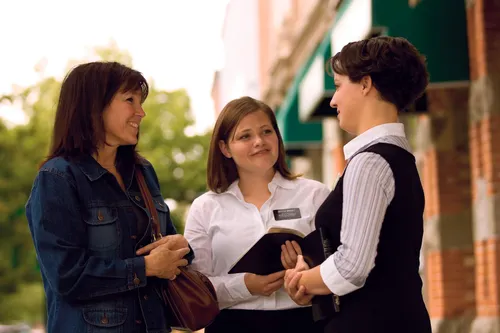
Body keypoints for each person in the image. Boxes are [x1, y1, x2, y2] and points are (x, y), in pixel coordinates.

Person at [26, 61, 193, 333]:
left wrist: (182, 247)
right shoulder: (57, 178)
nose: (141, 112)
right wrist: (145, 267)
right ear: (94, 105)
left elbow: (167, 255)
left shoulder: (143, 172)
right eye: (130, 100)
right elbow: (66, 277)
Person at [284, 36, 432, 333]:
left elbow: (352, 267)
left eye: (338, 85)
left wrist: (303, 280)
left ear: (365, 84)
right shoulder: (398, 157)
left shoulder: (370, 162)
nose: (333, 100)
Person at [183, 96, 330, 333]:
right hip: (233, 326)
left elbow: (340, 264)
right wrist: (246, 285)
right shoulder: (205, 208)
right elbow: (196, 286)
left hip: (306, 322)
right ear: (224, 148)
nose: (259, 141)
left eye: (266, 131)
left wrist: (306, 268)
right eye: (245, 136)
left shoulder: (316, 195)